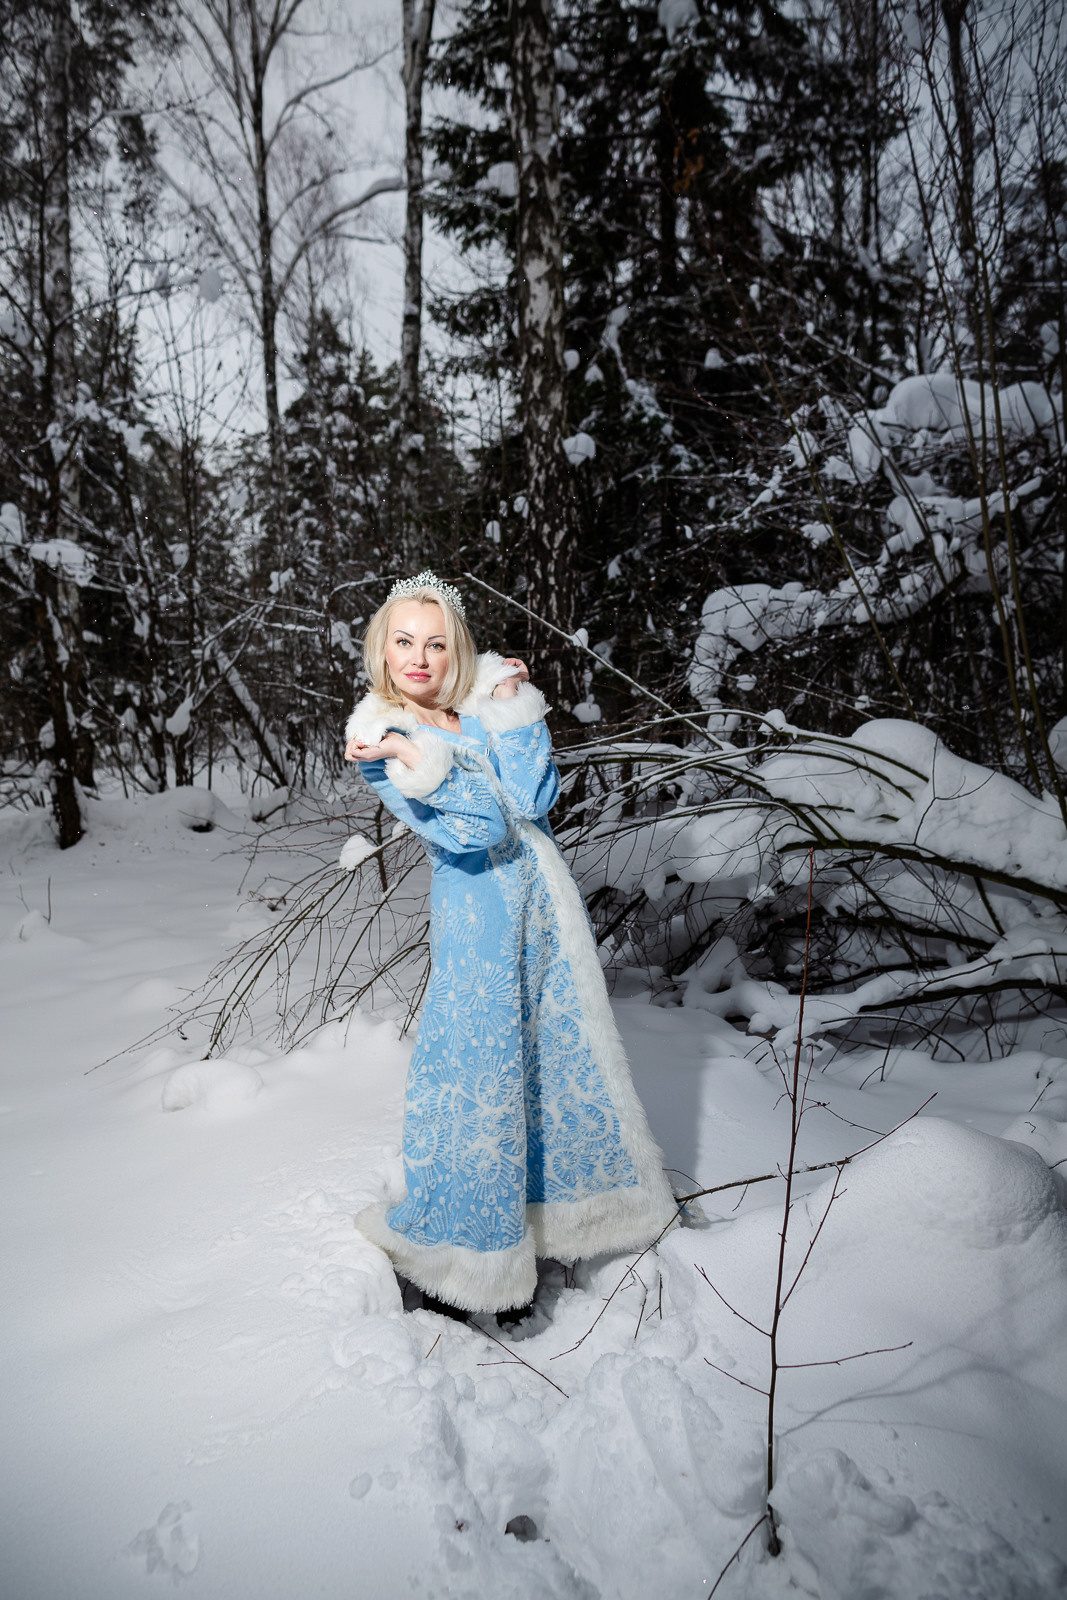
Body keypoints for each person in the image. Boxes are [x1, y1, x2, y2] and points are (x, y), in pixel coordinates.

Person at [344, 571, 677, 1316]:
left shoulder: (471, 710)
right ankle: (469, 1258)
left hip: (543, 920)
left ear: (455, 649)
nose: (419, 658)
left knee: (548, 1063)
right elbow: (478, 830)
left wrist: (508, 706)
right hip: (477, 926)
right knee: (479, 1074)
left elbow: (531, 801)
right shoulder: (380, 737)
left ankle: (548, 1227)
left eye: (435, 642)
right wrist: (416, 762)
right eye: (403, 642)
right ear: (382, 648)